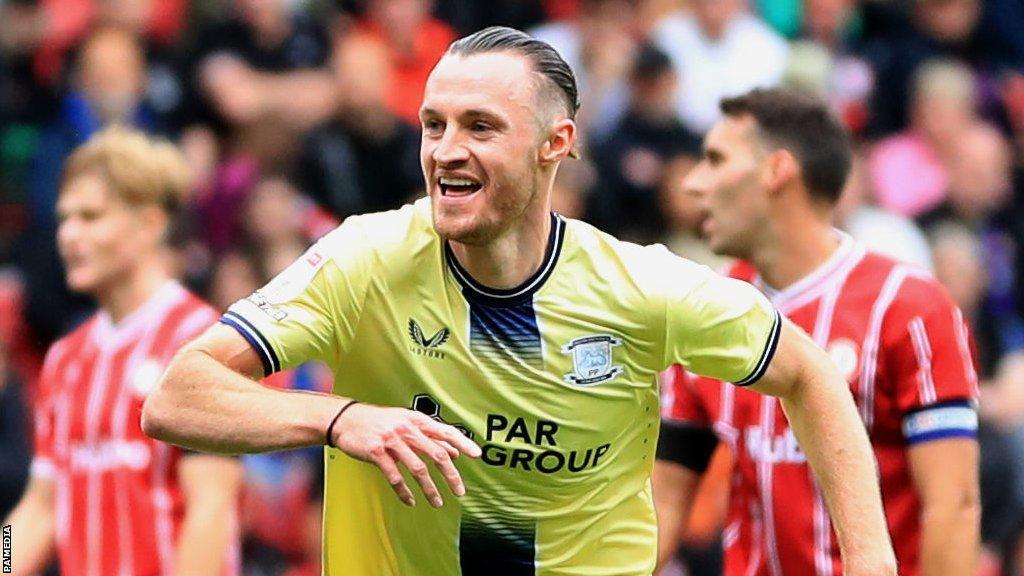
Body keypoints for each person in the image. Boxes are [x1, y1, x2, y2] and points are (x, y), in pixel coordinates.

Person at [142, 27, 897, 575]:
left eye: (480, 127)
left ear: (555, 144)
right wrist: (341, 419)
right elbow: (178, 395)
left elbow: (808, 372)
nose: (444, 150)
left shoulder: (639, 289)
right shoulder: (365, 258)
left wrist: (870, 564)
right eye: (433, 125)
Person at [655, 88, 980, 576]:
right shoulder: (703, 311)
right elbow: (662, 505)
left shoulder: (909, 305)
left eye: (715, 160)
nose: (694, 184)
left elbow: (952, 506)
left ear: (777, 171)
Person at [4, 127, 243, 576]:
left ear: (149, 224)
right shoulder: (65, 359)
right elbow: (37, 508)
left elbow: (212, 508)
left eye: (91, 217)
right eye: (65, 219)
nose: (70, 235)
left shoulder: (201, 340)